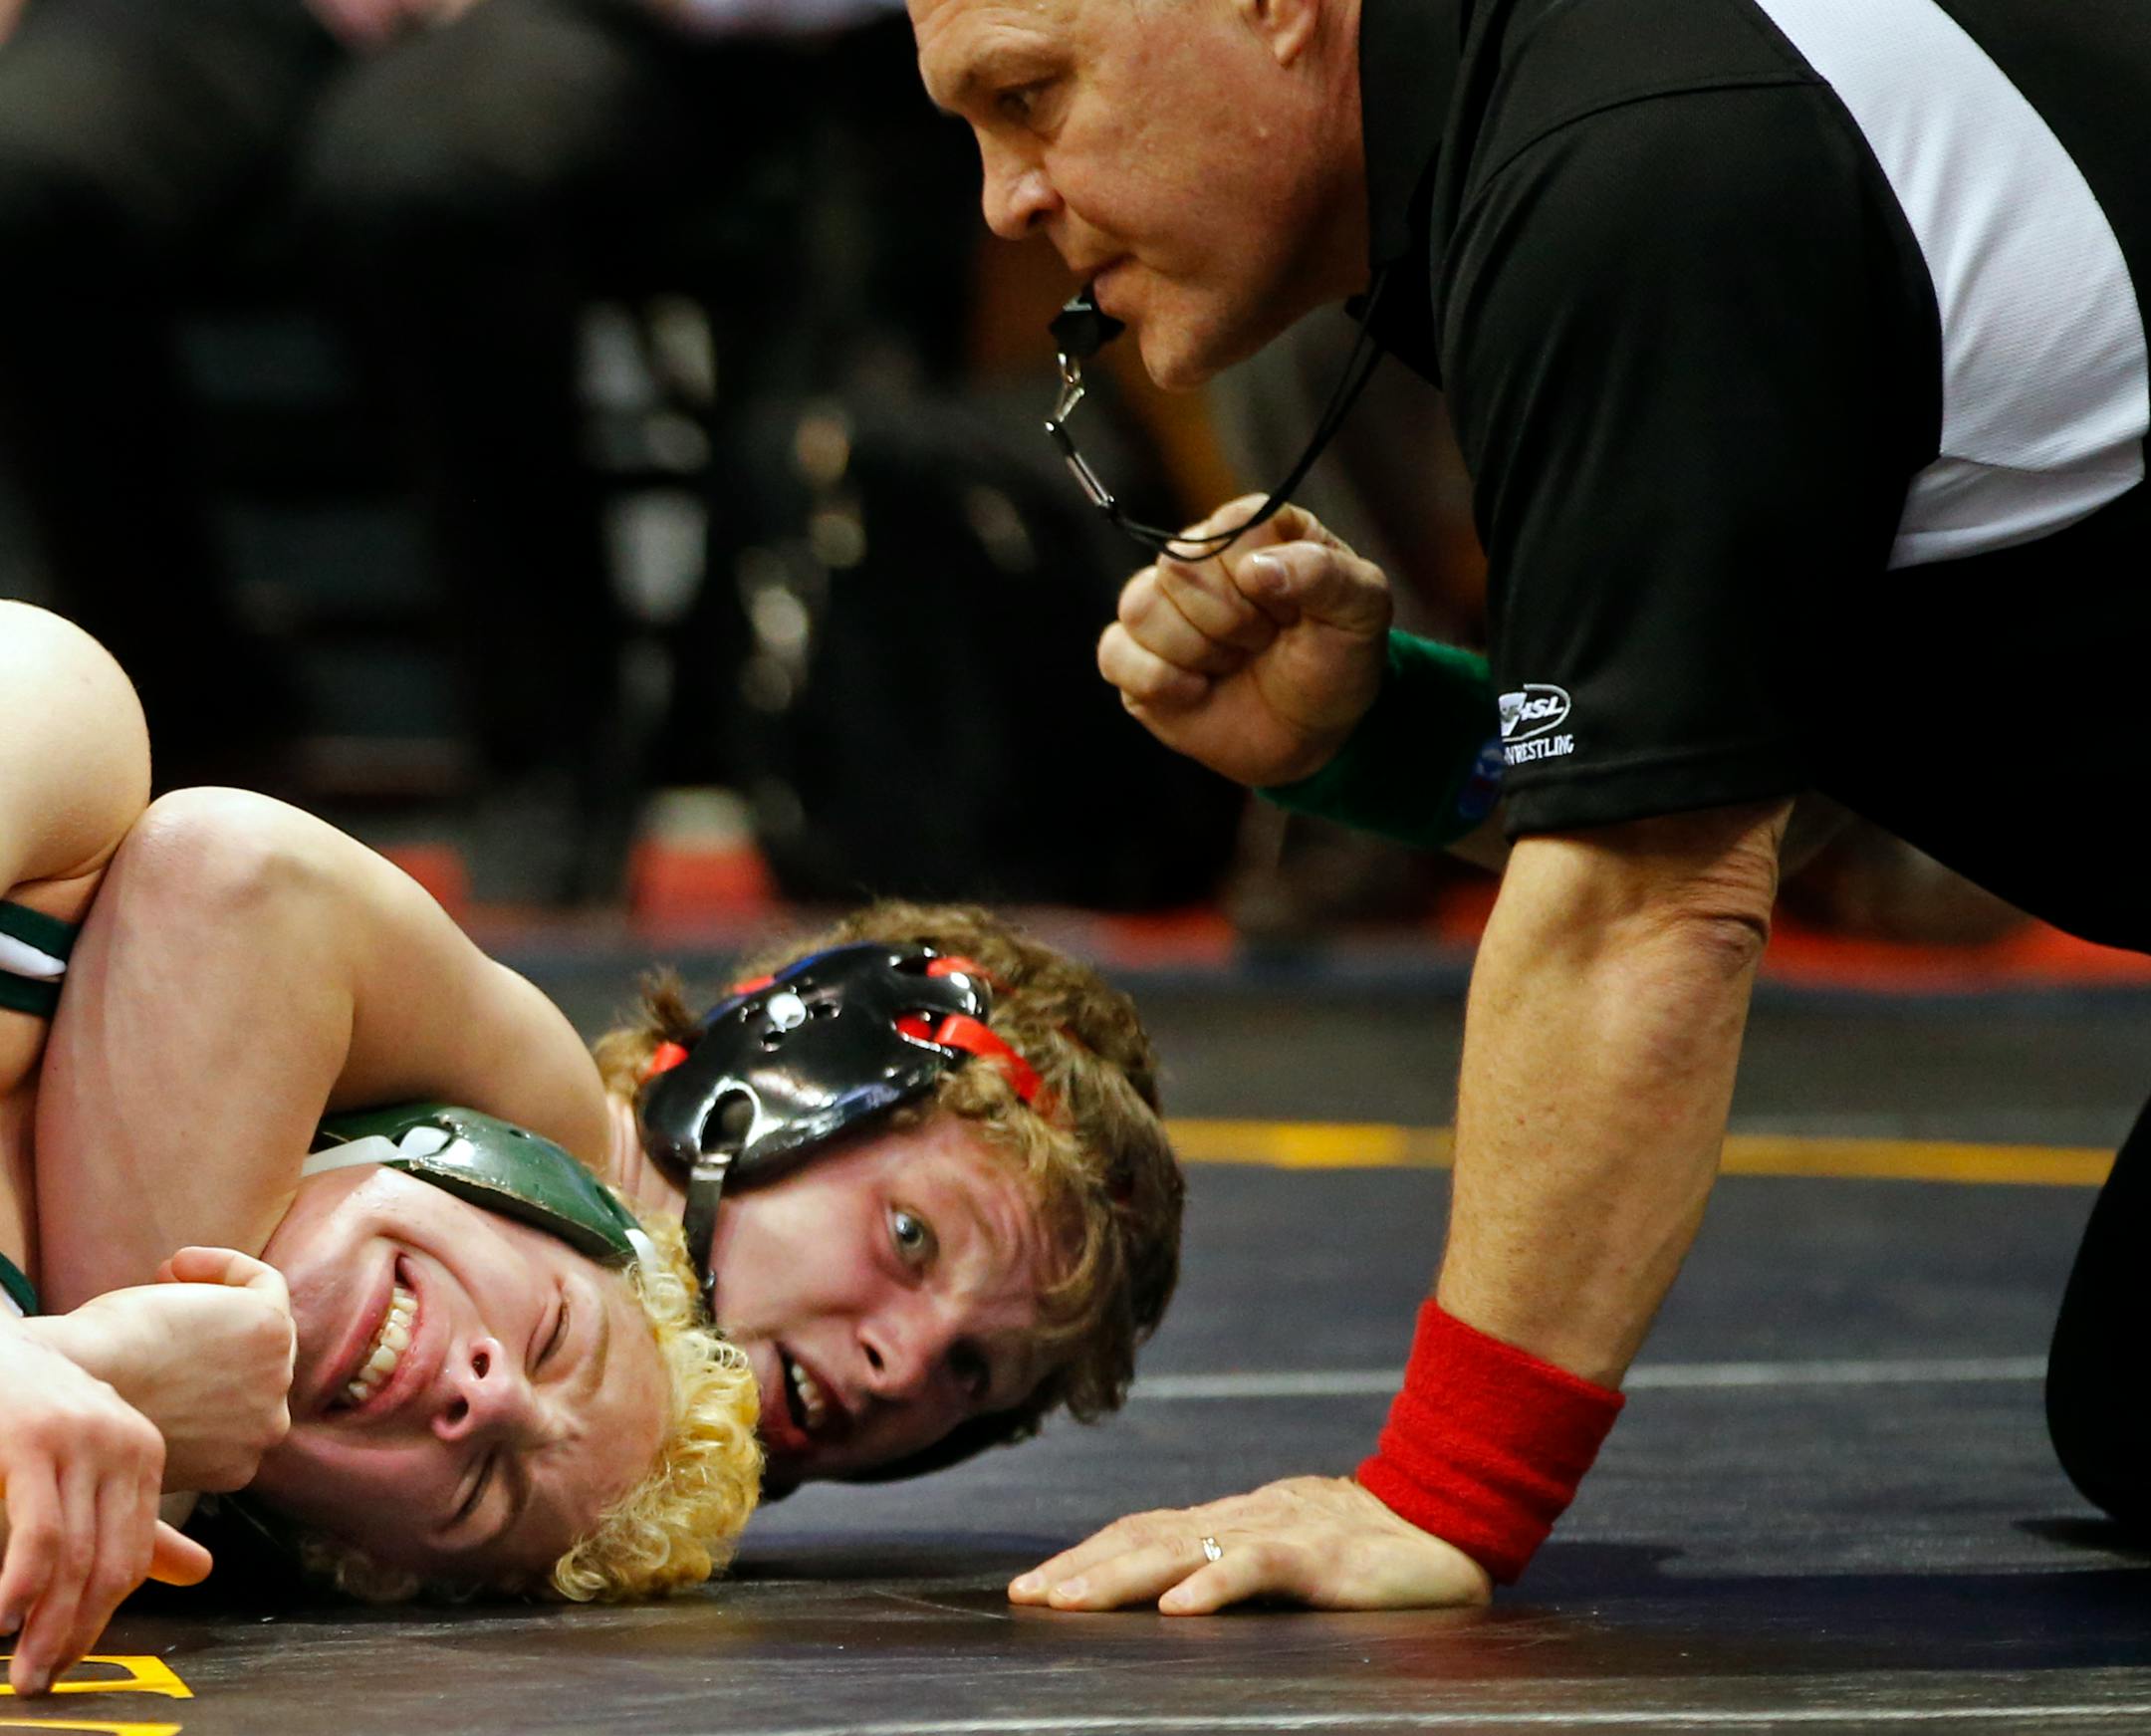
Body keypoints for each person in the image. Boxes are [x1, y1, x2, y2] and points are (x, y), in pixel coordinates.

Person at [907, 0, 2151, 1613]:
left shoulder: (1637, 157)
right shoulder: (1568, 108)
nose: (1006, 194)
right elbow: (1743, 755)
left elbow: (1656, 901)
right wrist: (1381, 737)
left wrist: (1441, 1494)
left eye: (1031, 94)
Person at [7, 604, 1183, 1675]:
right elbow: (231, 878)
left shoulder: (470, 1477)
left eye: (970, 1379)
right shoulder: (537, 1110)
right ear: (784, 1081)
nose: (902, 1369)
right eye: (914, 1237)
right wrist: (105, 1385)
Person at [1, 603, 763, 1695]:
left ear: (331, 1552)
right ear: (502, 1176)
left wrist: (88, 1379)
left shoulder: (43, 1536)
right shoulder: (65, 740)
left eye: (476, 1495)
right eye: (551, 1336)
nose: (490, 1402)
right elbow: (227, 875)